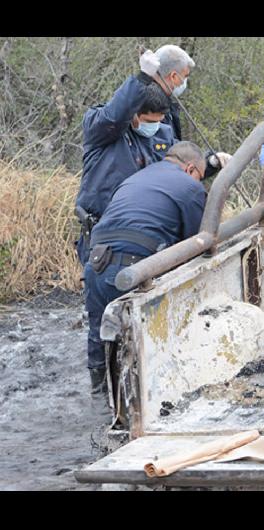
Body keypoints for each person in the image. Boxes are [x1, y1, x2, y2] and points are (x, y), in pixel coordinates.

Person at [75, 51, 227, 265]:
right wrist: (142, 78)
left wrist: (211, 163)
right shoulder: (101, 129)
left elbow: (181, 170)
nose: (154, 127)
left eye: (159, 121)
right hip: (102, 238)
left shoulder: (162, 135)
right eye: (149, 120)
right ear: (134, 114)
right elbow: (114, 116)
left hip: (147, 238)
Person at [83, 141, 209, 395]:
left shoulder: (137, 177)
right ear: (190, 169)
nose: (200, 182)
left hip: (95, 263)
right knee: (145, 343)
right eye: (201, 176)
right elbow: (196, 243)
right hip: (136, 265)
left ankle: (98, 394)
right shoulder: (191, 186)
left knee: (100, 332)